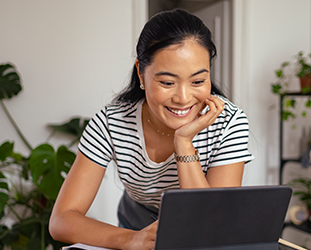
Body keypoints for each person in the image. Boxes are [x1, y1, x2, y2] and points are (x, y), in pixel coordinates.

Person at [49, 8, 254, 250]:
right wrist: (130, 238)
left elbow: (209, 227)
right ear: (141, 73)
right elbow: (61, 220)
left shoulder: (228, 122)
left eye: (198, 81)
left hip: (202, 235)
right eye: (167, 82)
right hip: (136, 223)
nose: (183, 97)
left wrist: (184, 143)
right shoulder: (111, 122)